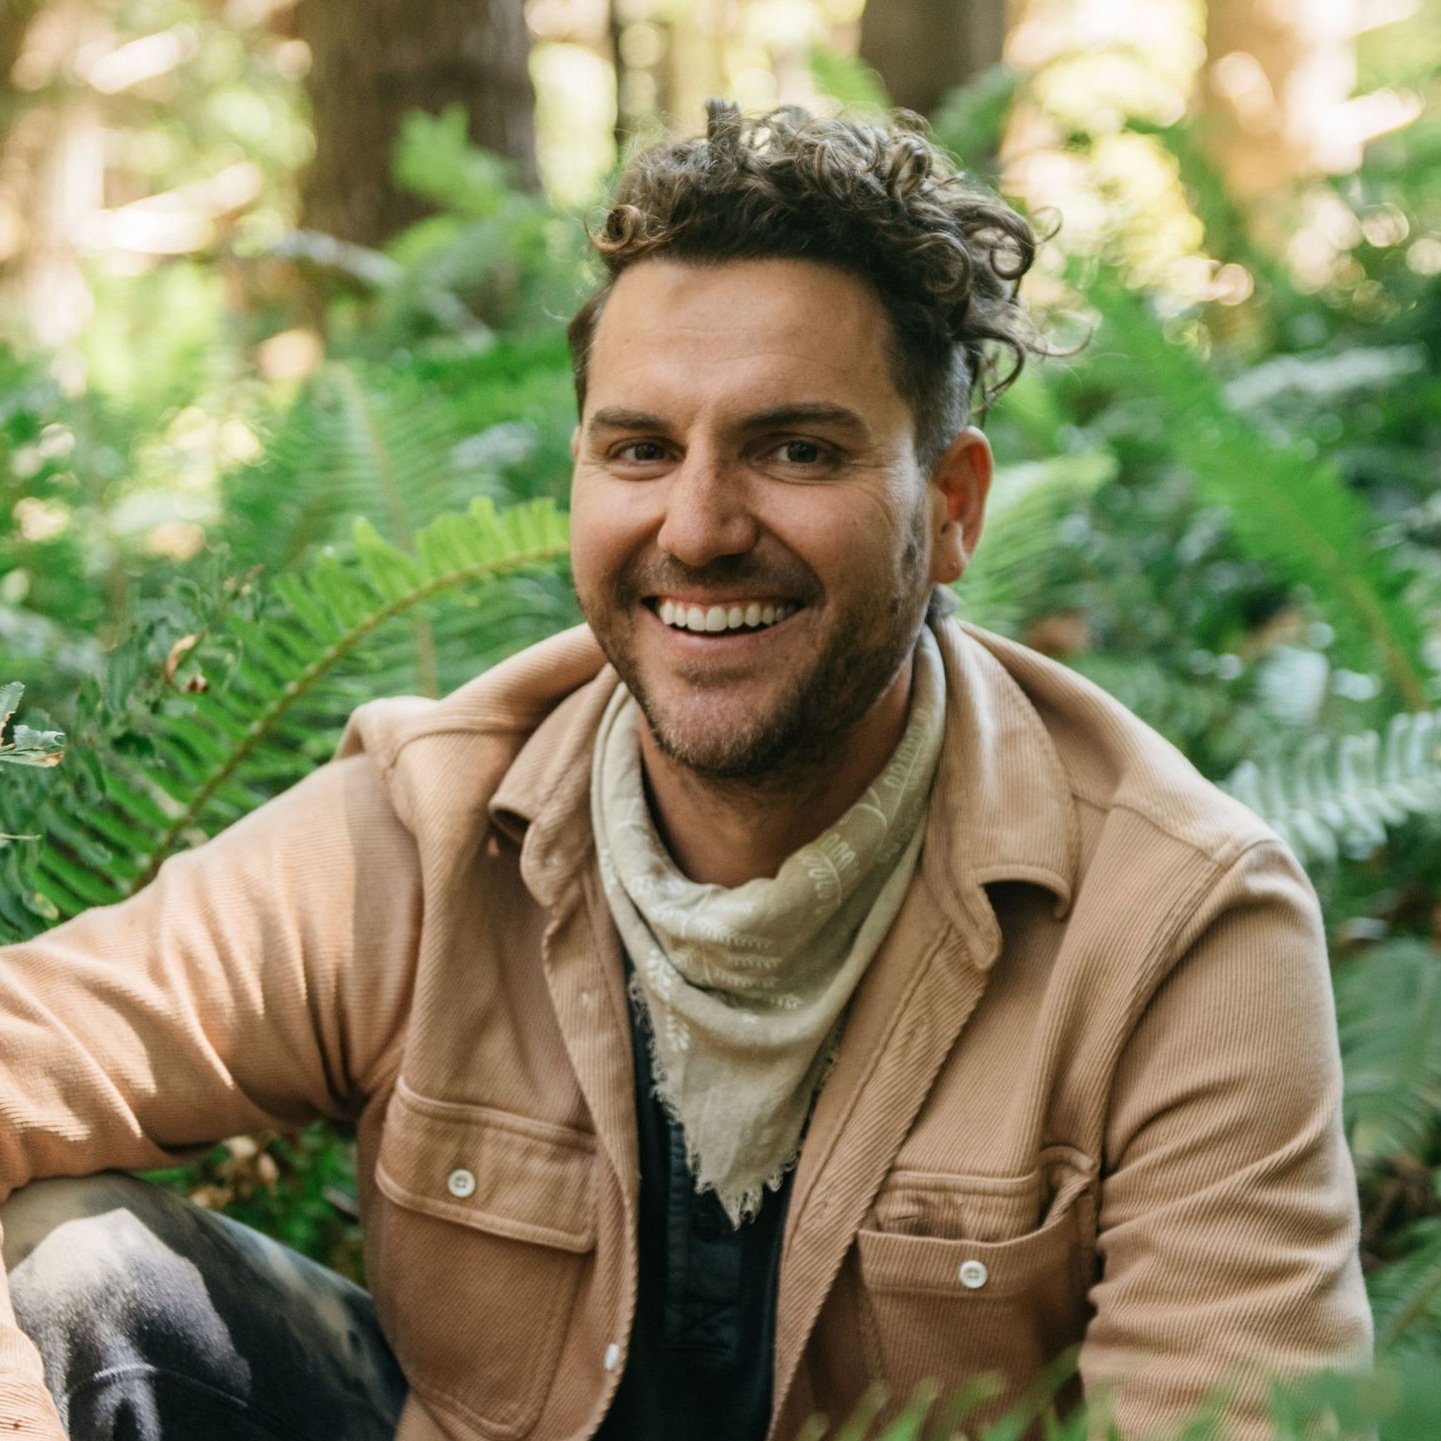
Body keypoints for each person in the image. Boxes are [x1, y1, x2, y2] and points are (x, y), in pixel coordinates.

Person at [0, 102, 1370, 1441]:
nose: (699, 527)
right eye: (641, 449)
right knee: (69, 1264)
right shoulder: (432, 822)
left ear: (948, 507)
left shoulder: (1174, 928)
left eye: (795, 449)